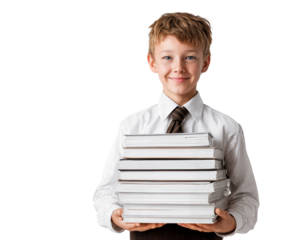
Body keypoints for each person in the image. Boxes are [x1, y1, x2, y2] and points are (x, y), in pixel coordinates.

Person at [91, 10, 260, 239]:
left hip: (206, 236)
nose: (178, 67)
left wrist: (232, 223)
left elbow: (247, 196)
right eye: (167, 57)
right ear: (152, 63)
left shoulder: (227, 127)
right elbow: (106, 189)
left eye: (189, 57)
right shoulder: (131, 124)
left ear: (206, 63)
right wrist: (113, 215)